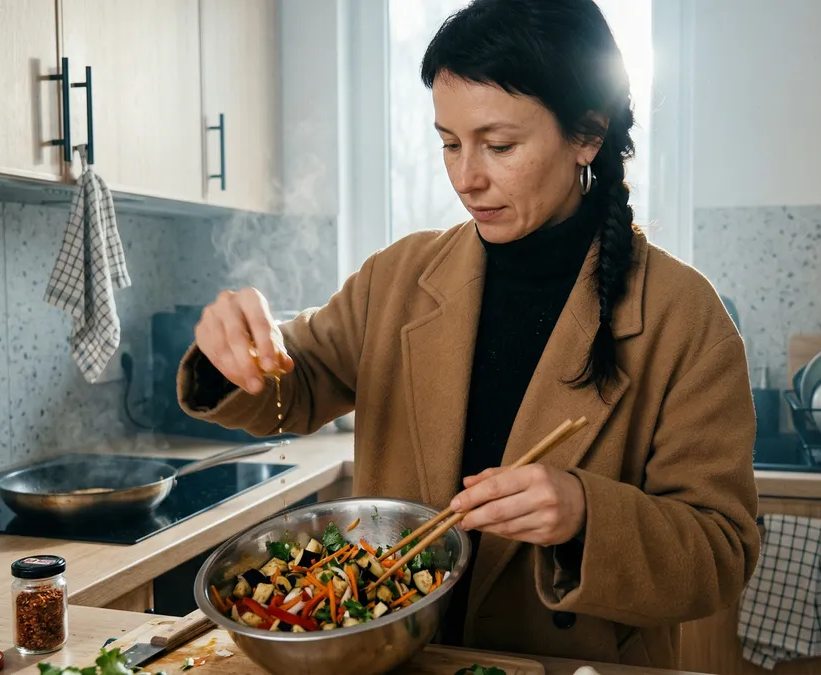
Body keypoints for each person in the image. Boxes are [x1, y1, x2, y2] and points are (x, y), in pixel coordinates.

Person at [177, 0, 759, 668]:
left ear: (588, 134)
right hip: (401, 661)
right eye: (449, 143)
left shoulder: (685, 317)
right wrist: (237, 353)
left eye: (499, 146)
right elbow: (293, 386)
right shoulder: (400, 276)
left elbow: (720, 554)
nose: (465, 177)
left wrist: (583, 515)